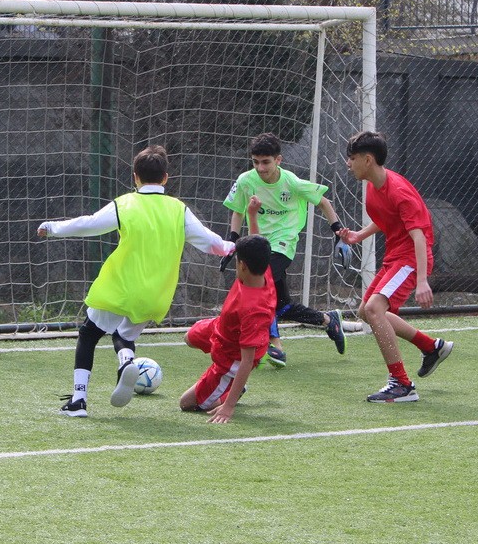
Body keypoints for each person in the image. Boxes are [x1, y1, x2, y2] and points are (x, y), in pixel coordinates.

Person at [37, 145, 235, 416]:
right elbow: (209, 241)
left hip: (119, 287)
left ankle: (78, 401)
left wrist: (52, 228)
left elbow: (89, 224)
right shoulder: (179, 210)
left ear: (135, 177)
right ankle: (126, 361)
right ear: (165, 178)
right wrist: (231, 247)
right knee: (124, 334)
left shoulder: (126, 204)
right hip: (155, 295)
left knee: (89, 334)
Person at [335, 131, 454, 403]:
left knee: (375, 309)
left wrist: (422, 280)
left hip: (411, 258)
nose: (348, 163)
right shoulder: (373, 184)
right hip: (397, 256)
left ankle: (402, 384)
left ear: (368, 160)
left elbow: (419, 236)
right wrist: (357, 236)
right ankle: (430, 347)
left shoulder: (399, 190)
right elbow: (386, 219)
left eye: (352, 158)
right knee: (366, 311)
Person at [221, 132, 346, 368]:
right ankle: (329, 321)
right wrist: (232, 243)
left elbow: (323, 202)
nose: (260, 167)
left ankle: (273, 346)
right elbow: (237, 210)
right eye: (256, 162)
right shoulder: (246, 180)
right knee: (283, 305)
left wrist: (337, 230)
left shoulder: (291, 182)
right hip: (258, 243)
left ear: (278, 160)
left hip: (283, 244)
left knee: (260, 284)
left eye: (265, 162)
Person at [180, 233, 277, 423]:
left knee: (186, 403)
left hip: (231, 356)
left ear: (242, 265)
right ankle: (227, 386)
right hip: (221, 327)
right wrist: (253, 213)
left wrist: (228, 407)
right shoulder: (262, 271)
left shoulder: (254, 310)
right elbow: (256, 241)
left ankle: (233, 390)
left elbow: (246, 362)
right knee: (189, 338)